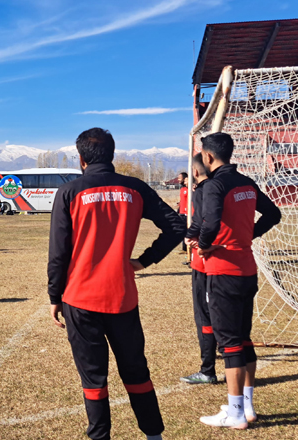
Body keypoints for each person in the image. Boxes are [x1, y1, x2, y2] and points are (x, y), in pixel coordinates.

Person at [48, 128, 185, 440]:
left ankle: (101, 436)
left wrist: (54, 295)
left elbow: (58, 252)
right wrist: (144, 261)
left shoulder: (70, 192)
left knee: (94, 378)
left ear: (81, 159)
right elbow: (176, 226)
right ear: (111, 154)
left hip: (80, 299)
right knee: (136, 370)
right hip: (122, 298)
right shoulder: (134, 188)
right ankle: (154, 435)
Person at [196, 132, 281, 429]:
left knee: (230, 343)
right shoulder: (247, 183)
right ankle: (247, 406)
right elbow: (273, 214)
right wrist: (249, 236)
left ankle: (234, 413)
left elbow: (210, 221)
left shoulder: (215, 185)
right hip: (248, 269)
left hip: (224, 271)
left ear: (208, 157)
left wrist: (204, 243)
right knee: (243, 338)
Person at [179, 154, 218, 385]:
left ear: (195, 171)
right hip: (229, 262)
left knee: (205, 313)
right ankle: (223, 351)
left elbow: (205, 221)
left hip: (206, 262)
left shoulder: (206, 190)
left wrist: (197, 241)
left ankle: (208, 369)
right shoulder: (228, 185)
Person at [177, 172, 189, 255]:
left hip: (187, 213)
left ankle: (188, 249)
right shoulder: (182, 189)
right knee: (182, 231)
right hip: (181, 213)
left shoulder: (190, 189)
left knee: (188, 231)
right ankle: (184, 248)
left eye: (179, 178)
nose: (178, 180)